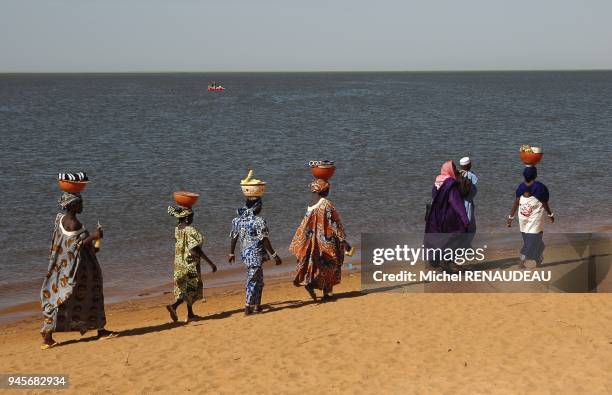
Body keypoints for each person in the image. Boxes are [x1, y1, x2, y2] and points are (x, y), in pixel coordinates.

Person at [40, 192, 116, 350]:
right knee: (92, 294)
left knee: (59, 297)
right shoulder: (75, 224)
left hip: (62, 266)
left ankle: (48, 335)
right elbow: (76, 247)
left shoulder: (60, 218)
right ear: (73, 205)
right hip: (79, 269)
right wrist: (95, 236)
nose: (83, 206)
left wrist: (94, 241)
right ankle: (100, 331)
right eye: (80, 203)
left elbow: (69, 244)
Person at [289, 179, 351, 302]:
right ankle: (319, 288)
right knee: (332, 264)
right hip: (327, 240)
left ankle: (324, 291)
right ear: (324, 190)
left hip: (315, 240)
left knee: (321, 265)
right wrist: (343, 240)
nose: (329, 191)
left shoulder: (311, 204)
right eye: (327, 189)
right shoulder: (326, 204)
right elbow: (333, 222)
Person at [229, 197, 282, 315]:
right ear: (256, 206)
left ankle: (257, 305)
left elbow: (234, 237)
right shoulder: (258, 221)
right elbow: (264, 239)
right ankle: (248, 307)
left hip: (246, 255)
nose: (261, 208)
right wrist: (274, 255)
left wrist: (231, 252)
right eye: (260, 205)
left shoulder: (238, 220)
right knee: (253, 280)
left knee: (259, 280)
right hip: (255, 255)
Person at [166, 206, 217, 322]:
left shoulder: (178, 229)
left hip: (179, 263)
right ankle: (174, 306)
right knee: (191, 289)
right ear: (187, 218)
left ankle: (190, 314)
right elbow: (194, 249)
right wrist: (210, 263)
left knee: (185, 288)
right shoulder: (190, 230)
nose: (193, 219)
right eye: (192, 217)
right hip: (190, 263)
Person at [424, 160, 470, 271]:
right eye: (454, 168)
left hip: (437, 215)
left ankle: (437, 262)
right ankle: (447, 263)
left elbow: (434, 195)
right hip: (449, 217)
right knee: (457, 235)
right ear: (450, 170)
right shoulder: (451, 184)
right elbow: (456, 202)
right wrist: (465, 218)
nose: (456, 170)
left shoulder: (438, 181)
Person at [507, 166, 554, 267]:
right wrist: (550, 214)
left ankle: (537, 261)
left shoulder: (521, 187)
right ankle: (522, 260)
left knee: (532, 240)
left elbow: (516, 202)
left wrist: (510, 217)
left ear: (524, 176)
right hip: (534, 219)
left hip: (523, 218)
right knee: (534, 240)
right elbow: (545, 202)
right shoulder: (540, 187)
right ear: (535, 175)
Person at [459, 156, 478, 235]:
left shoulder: (457, 174)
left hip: (458, 202)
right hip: (468, 203)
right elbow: (473, 189)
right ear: (468, 165)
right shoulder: (470, 175)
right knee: (470, 224)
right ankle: (466, 243)